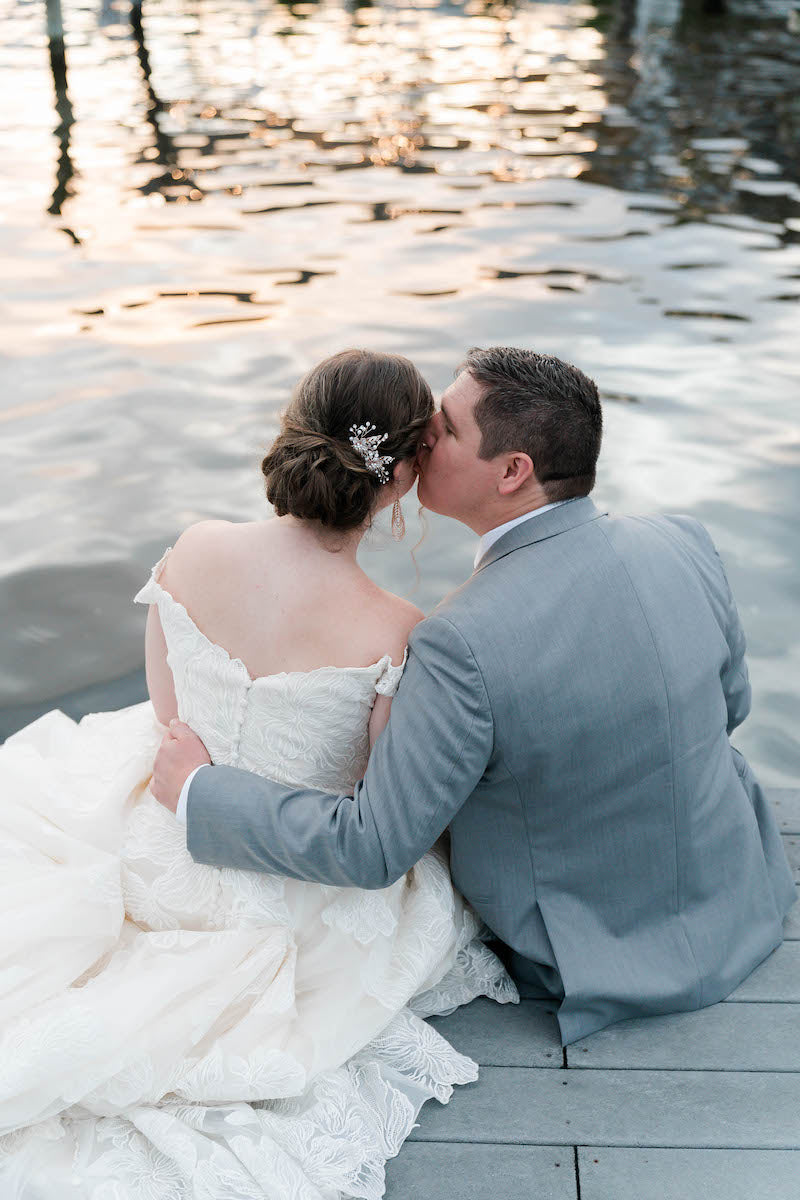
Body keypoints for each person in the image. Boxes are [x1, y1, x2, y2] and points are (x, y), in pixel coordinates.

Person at [155, 344, 796, 1049]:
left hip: (595, 950)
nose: (424, 435)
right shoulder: (682, 540)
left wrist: (199, 791)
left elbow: (373, 847)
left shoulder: (460, 641)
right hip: (745, 889)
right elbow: (731, 707)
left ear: (512, 472)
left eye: (448, 428)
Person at [0, 349, 515, 1200]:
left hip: (163, 829)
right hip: (293, 882)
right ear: (395, 482)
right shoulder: (396, 628)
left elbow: (168, 713)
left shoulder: (197, 547)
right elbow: (378, 794)